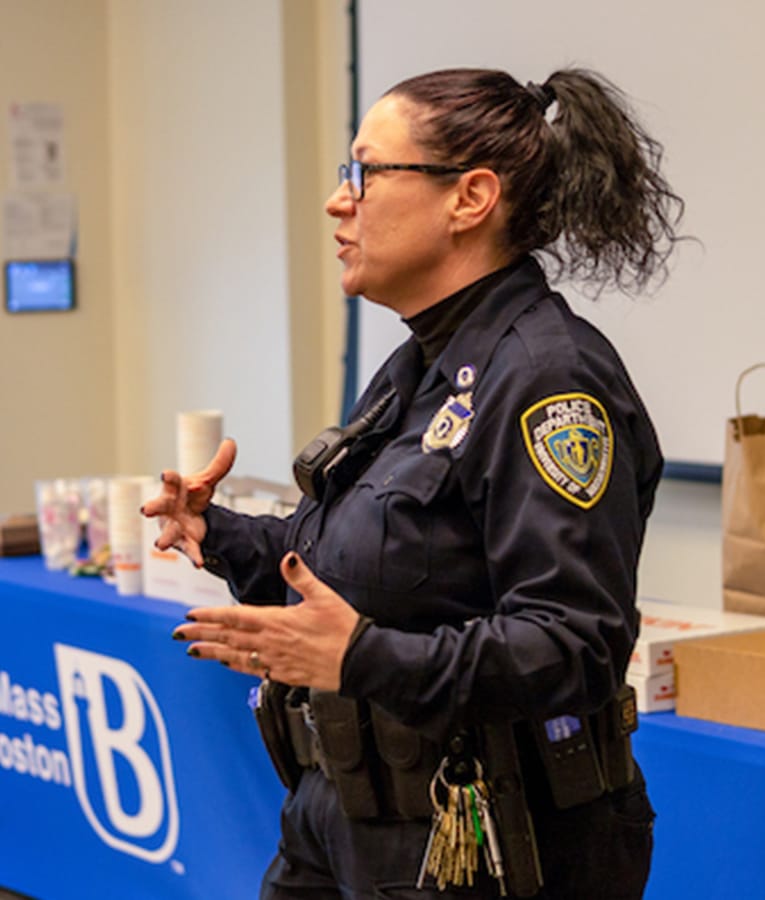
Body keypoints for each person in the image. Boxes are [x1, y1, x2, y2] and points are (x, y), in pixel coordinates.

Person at [144, 66, 684, 899]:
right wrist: (224, 535)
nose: (338, 200)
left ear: (469, 198)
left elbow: (574, 645)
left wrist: (363, 656)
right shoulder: (421, 362)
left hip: (488, 841)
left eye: (364, 172)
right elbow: (372, 560)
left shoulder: (547, 379)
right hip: (346, 812)